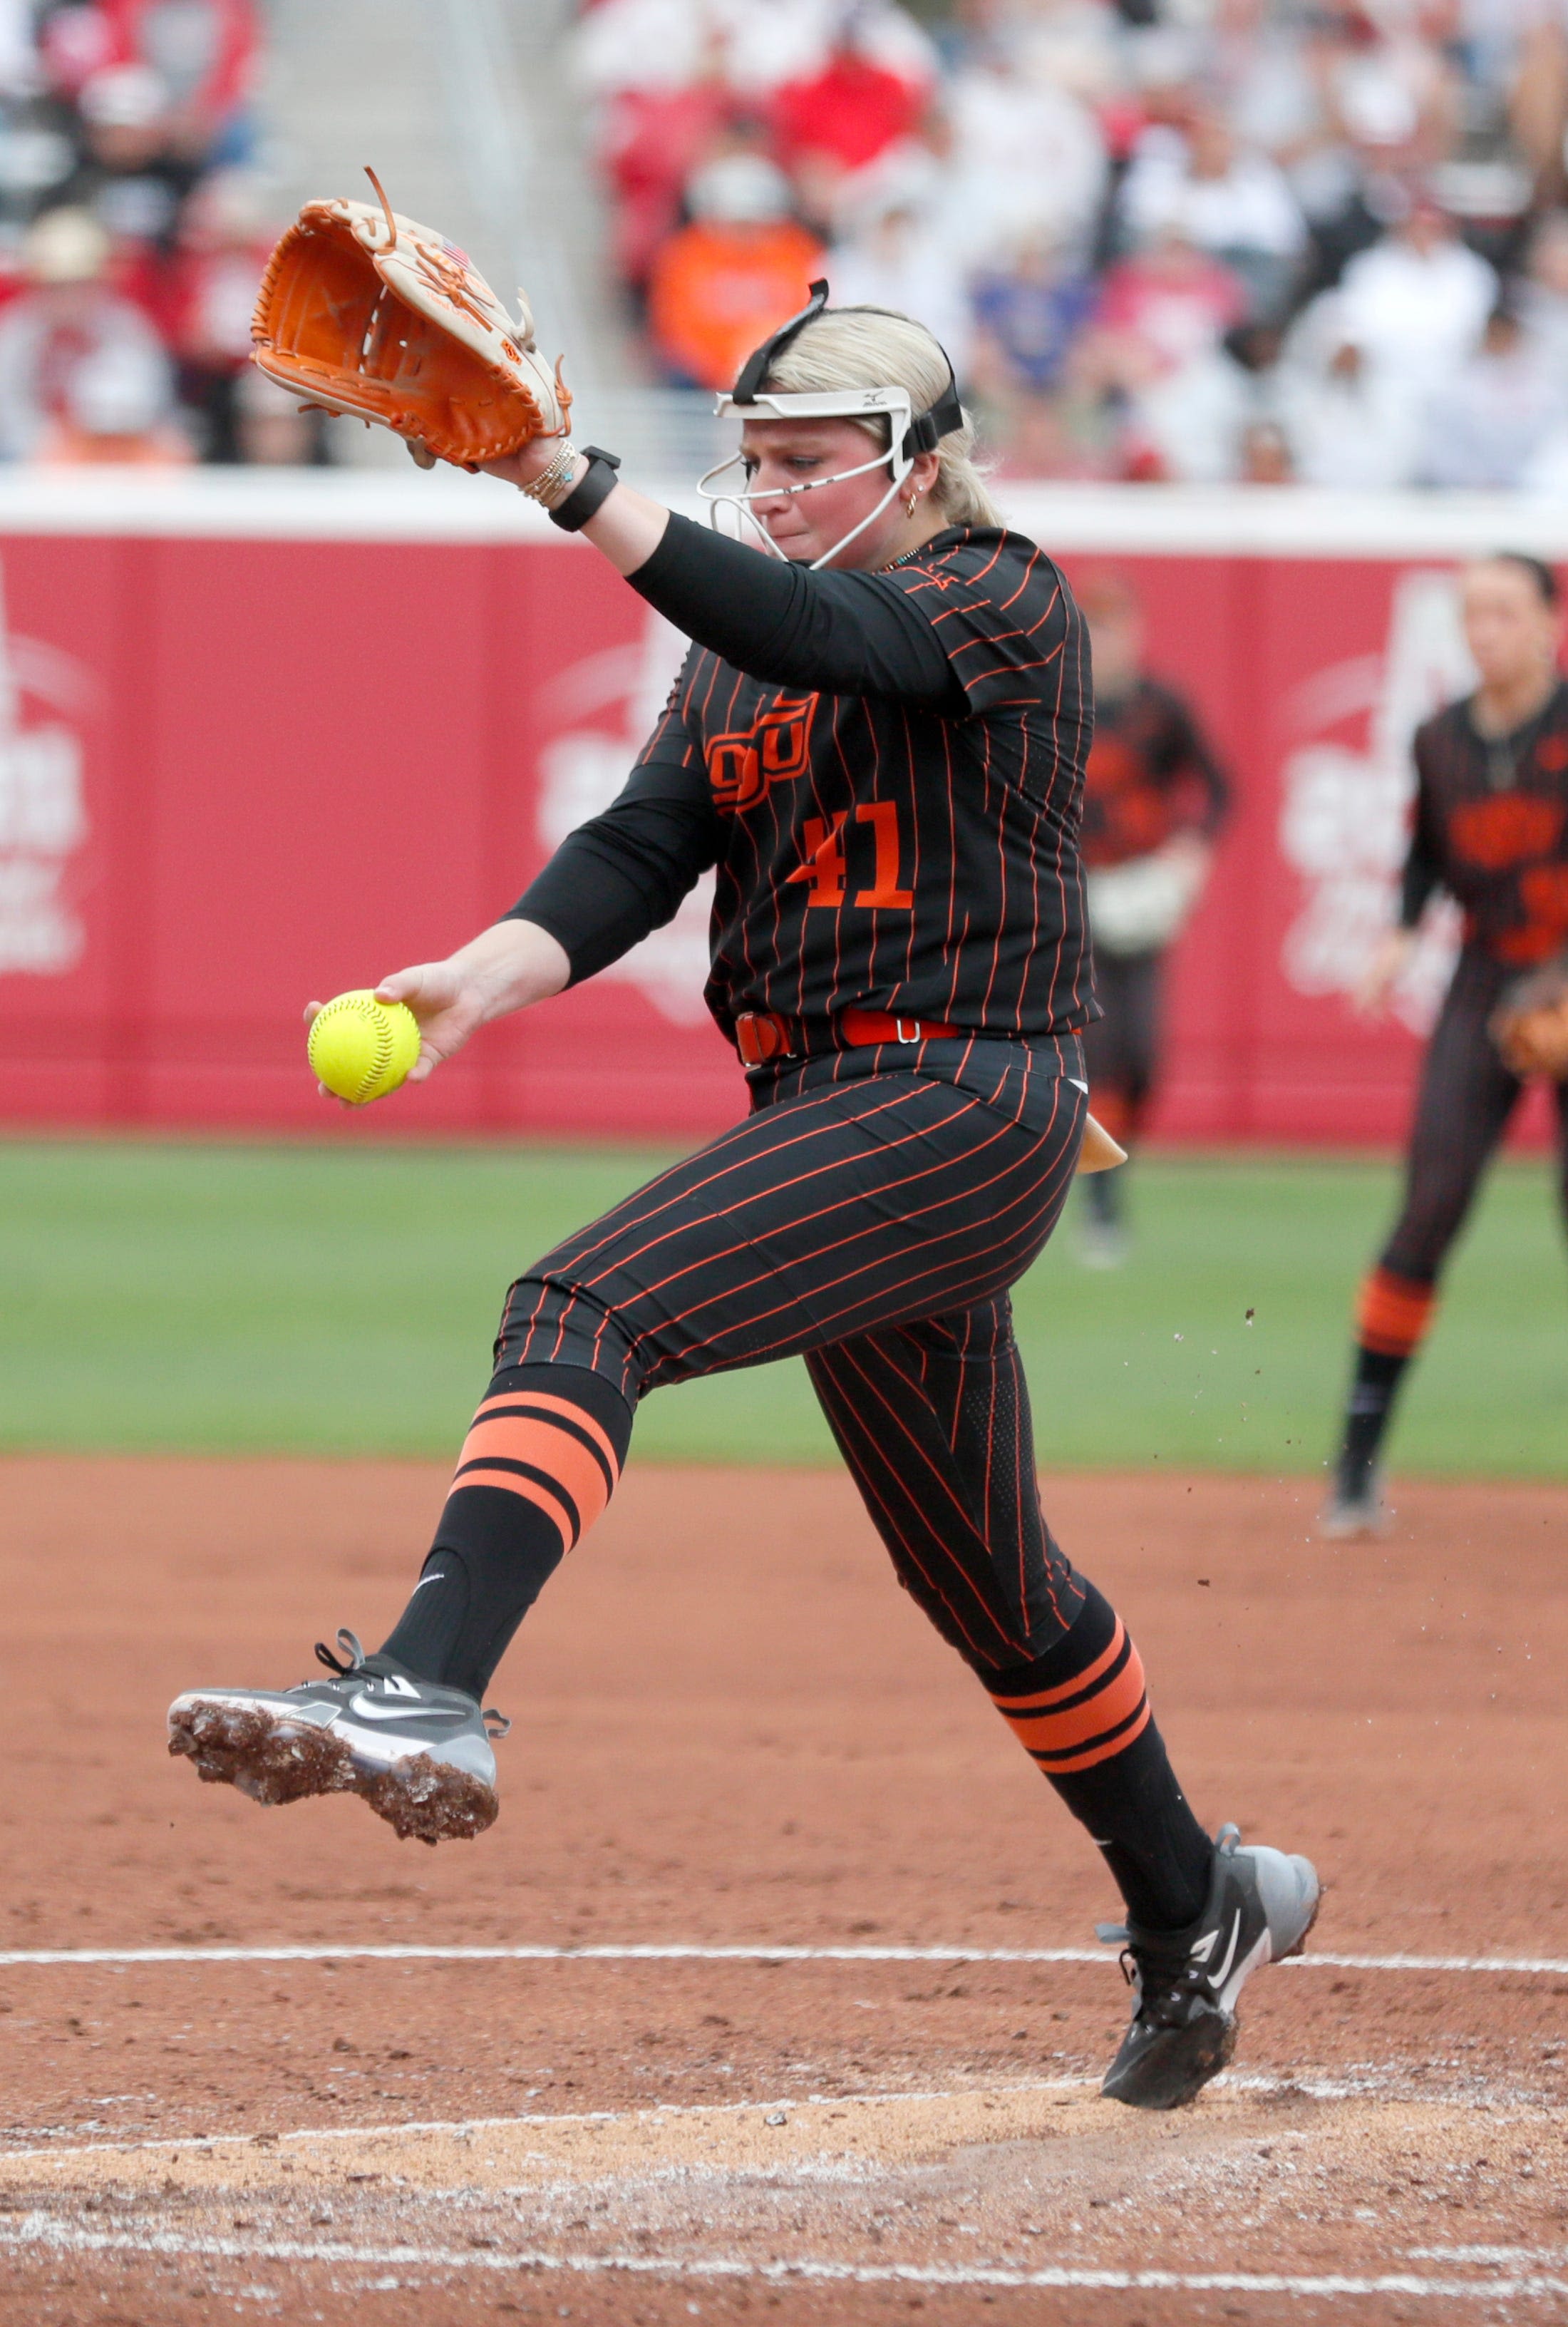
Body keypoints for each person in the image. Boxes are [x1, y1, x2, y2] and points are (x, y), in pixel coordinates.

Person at [168, 289, 1318, 2112]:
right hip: (836, 1100)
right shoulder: (732, 656)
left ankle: (420, 1685)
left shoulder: (1005, 595)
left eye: (806, 464)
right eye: (754, 464)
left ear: (917, 466)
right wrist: (487, 971)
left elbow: (799, 615)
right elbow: (645, 842)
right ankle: (1200, 1903)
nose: (769, 493)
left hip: (960, 1090)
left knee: (581, 1305)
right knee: (990, 1586)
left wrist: (561, 473)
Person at [1323, 553, 1568, 1536]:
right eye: (1472, 614)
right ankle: (1355, 1465)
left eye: (1505, 611)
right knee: (1427, 1210)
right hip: (1486, 981)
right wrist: (1395, 941)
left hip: (1558, 975)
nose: (1485, 630)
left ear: (1551, 620)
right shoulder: (1440, 737)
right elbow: (1428, 859)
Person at [1073, 571, 1232, 1263]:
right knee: (1097, 1054)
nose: (1105, 642)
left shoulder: (1160, 708)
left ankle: (1111, 1179)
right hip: (1072, 900)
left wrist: (1190, 852)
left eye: (1115, 626)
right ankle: (1098, 1201)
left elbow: (1218, 788)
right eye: (1094, 627)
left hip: (1140, 898)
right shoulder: (1056, 703)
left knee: (1142, 1058)